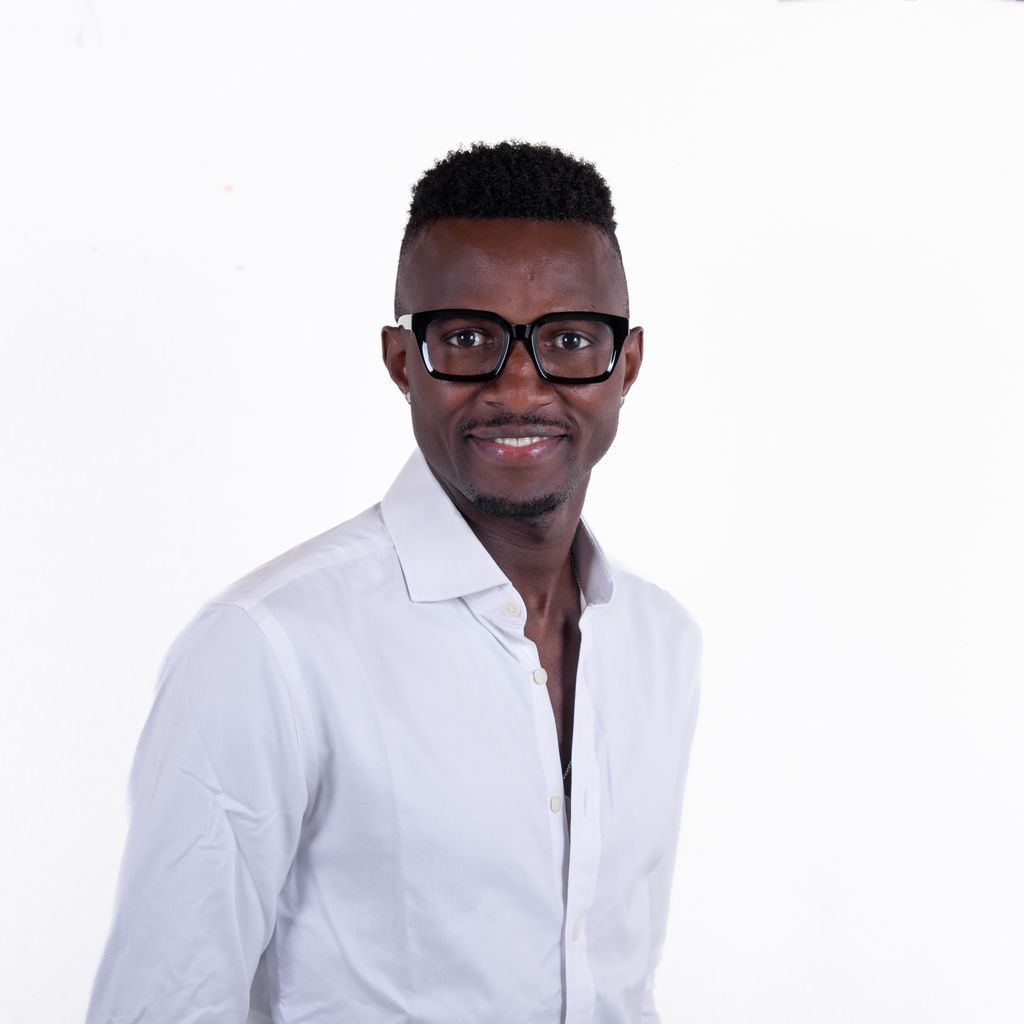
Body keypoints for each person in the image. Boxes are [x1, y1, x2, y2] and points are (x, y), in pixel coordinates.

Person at [86, 141, 702, 1024]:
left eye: (569, 340)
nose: (518, 386)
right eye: (467, 338)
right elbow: (163, 1004)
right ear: (401, 360)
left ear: (627, 364)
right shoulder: (269, 649)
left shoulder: (660, 640)